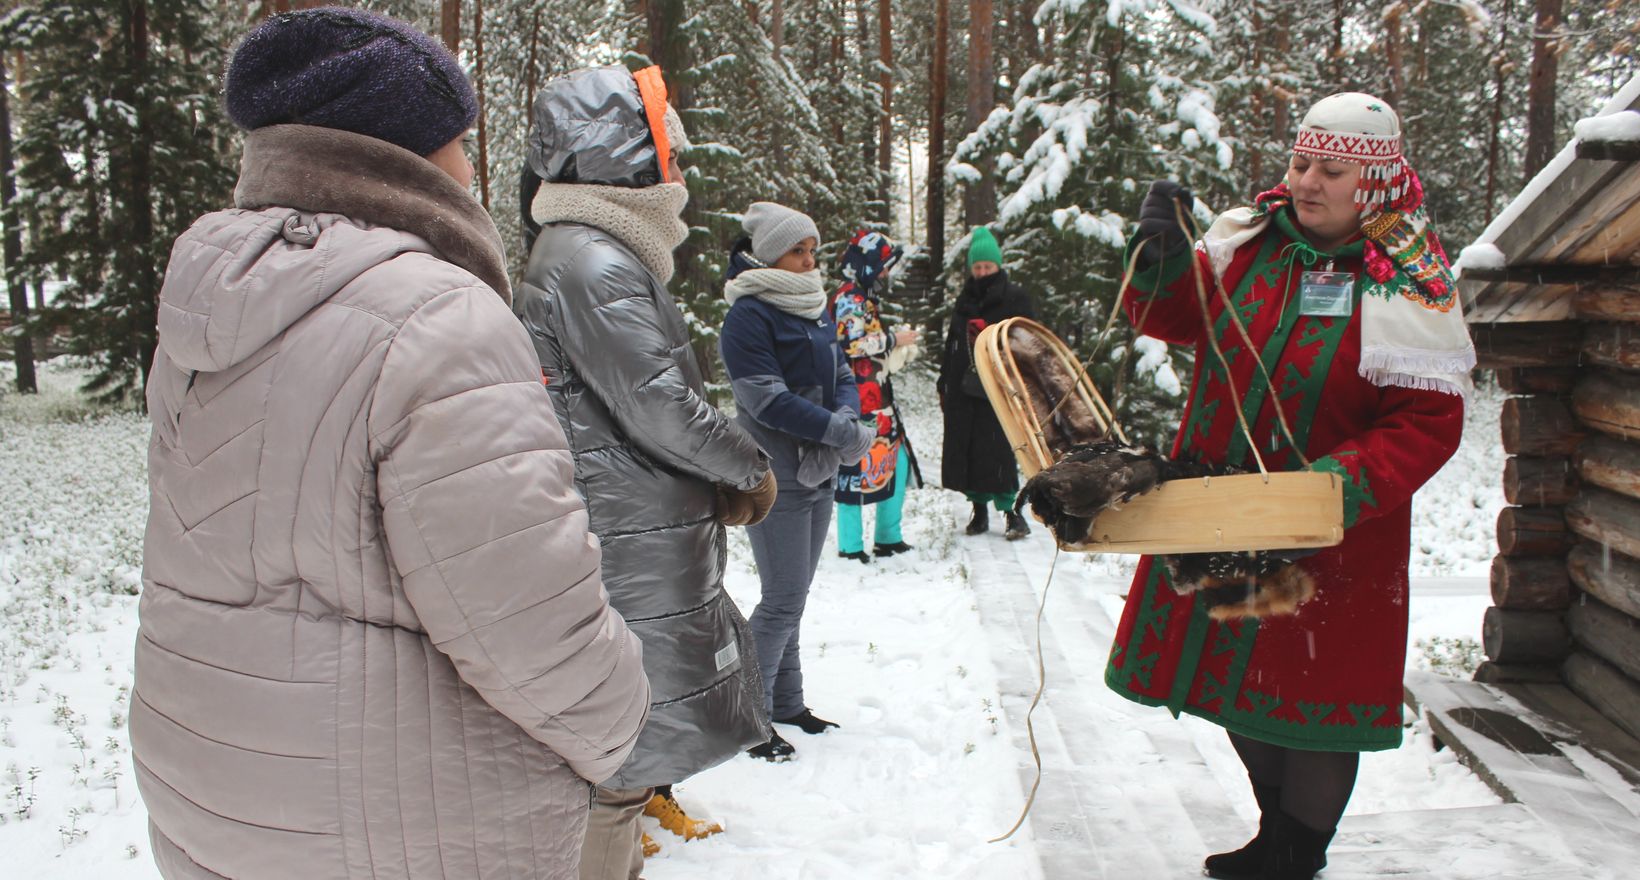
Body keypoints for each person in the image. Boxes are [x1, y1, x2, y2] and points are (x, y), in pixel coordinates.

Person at [133, 10, 650, 880]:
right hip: (399, 817)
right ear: (407, 153)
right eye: (458, 140)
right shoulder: (438, 316)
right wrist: (622, 721)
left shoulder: (211, 302)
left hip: (216, 787)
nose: (470, 166)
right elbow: (529, 619)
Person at [1103, 92, 1472, 879]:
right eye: (1301, 162)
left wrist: (1328, 488)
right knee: (1241, 685)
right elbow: (1170, 315)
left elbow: (1427, 423)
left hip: (1333, 536)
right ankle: (1277, 836)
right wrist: (1163, 251)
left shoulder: (1409, 275)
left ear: (1372, 181)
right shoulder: (1253, 243)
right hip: (1224, 515)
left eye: (1330, 170)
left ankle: (1299, 855)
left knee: (1312, 707)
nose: (1307, 182)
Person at [516, 65, 777, 880]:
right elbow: (657, 404)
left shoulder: (591, 251)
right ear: (620, 154)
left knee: (636, 725)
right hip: (628, 533)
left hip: (638, 520)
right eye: (666, 151)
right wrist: (748, 466)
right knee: (622, 743)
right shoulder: (593, 262)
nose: (679, 174)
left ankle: (623, 843)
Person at [720, 203, 875, 761]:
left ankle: (786, 702)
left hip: (820, 470)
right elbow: (764, 398)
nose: (810, 260)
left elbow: (840, 373)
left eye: (813, 249)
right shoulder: (749, 315)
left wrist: (848, 424)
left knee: (793, 596)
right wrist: (841, 431)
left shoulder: (814, 307)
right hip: (776, 472)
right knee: (783, 597)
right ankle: (748, 718)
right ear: (769, 255)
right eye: (797, 250)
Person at [937, 227, 1037, 539]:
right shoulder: (963, 300)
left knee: (999, 454)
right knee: (968, 450)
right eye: (977, 267)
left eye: (987, 267)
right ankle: (978, 511)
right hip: (963, 389)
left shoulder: (1016, 297)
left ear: (998, 266)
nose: (982, 273)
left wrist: (991, 336)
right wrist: (943, 381)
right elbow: (952, 343)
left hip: (999, 389)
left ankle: (1012, 513)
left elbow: (1027, 341)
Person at [832, 229, 921, 563]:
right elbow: (850, 344)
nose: (886, 274)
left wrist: (894, 353)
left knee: (894, 460)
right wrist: (893, 340)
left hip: (877, 397)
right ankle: (851, 546)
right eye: (882, 267)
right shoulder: (848, 299)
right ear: (866, 265)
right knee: (854, 467)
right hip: (854, 400)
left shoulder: (864, 299)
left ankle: (888, 537)